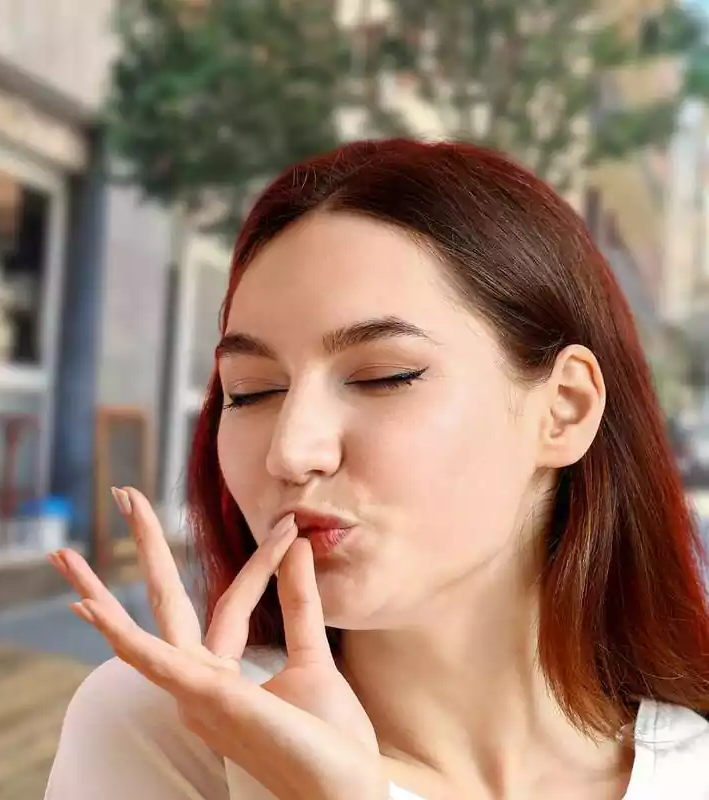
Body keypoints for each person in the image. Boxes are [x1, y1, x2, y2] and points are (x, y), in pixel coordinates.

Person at [43, 139, 709, 800]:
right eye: (248, 391)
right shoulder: (166, 730)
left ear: (564, 409)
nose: (291, 451)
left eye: (384, 376)